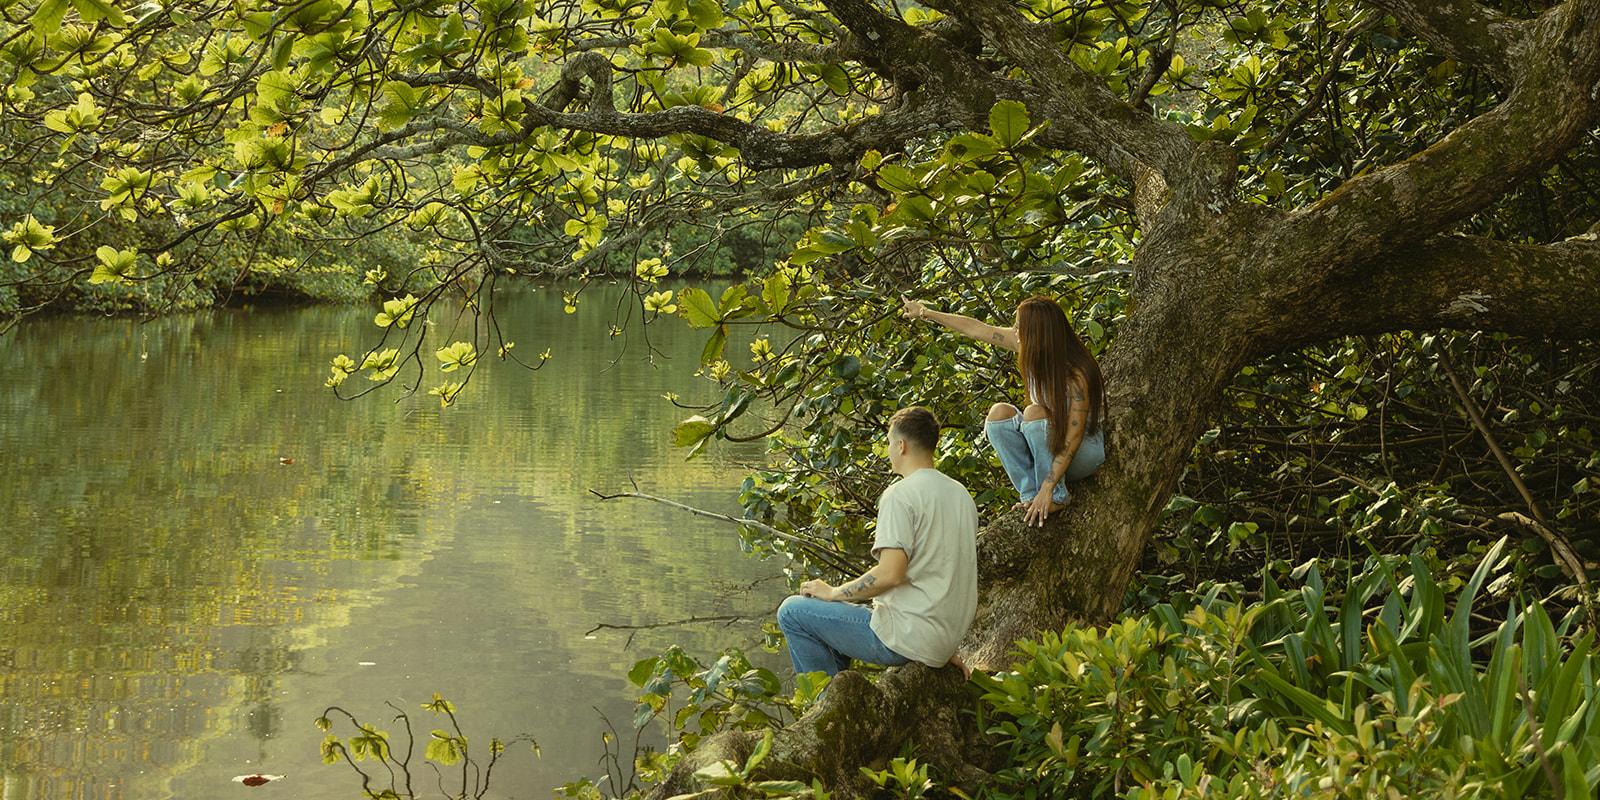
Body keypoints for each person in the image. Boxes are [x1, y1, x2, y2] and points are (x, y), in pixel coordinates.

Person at [775, 406, 978, 680]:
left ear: (901, 445)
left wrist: (834, 592)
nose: (889, 451)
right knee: (836, 619)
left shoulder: (900, 495)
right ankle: (839, 698)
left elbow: (890, 575)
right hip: (941, 640)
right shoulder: (961, 495)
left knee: (792, 612)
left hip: (906, 638)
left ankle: (825, 709)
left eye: (888, 444)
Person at [901, 295, 1106, 528]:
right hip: (1049, 446)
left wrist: (1048, 488)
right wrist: (924, 312)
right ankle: (1031, 494)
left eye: (1020, 326)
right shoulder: (1025, 345)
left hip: (1083, 452)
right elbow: (975, 328)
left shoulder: (1077, 374)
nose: (1015, 331)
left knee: (1033, 413)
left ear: (1038, 333)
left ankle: (1056, 496)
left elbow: (1074, 436)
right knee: (998, 414)